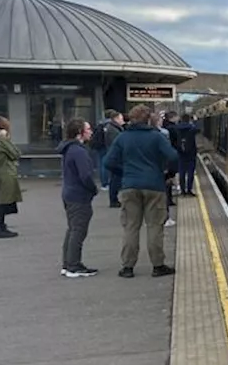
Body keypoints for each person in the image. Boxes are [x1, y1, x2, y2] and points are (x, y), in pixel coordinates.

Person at [103, 104, 177, 278]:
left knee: (131, 227)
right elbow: (173, 156)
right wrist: (167, 174)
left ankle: (128, 267)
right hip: (154, 186)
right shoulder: (156, 137)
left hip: (130, 186)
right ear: (149, 119)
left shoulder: (122, 138)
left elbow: (108, 162)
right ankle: (158, 266)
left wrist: (124, 174)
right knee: (154, 226)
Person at [57, 117, 99, 277]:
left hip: (69, 193)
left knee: (72, 229)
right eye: (88, 129)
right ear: (80, 133)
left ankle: (68, 263)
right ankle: (74, 265)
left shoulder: (68, 149)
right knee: (79, 230)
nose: (91, 132)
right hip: (79, 195)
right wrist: (93, 189)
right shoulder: (79, 151)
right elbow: (86, 175)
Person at [173, 113, 199, 196]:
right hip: (191, 154)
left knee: (182, 172)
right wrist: (195, 120)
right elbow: (199, 129)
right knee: (190, 172)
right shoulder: (192, 128)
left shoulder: (176, 128)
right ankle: (189, 190)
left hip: (180, 153)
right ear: (189, 119)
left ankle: (182, 190)